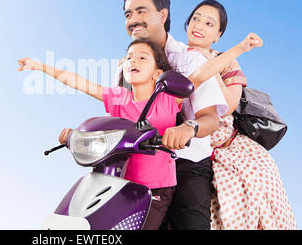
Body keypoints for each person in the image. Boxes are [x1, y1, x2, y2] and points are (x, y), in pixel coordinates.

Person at [19, 35, 262, 230]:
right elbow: (77, 82)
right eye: (129, 57)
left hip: (155, 188)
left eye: (142, 58)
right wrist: (40, 67)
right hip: (120, 182)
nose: (132, 61)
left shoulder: (167, 99)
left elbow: (203, 73)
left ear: (158, 73)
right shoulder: (118, 98)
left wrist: (240, 48)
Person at [119, 0, 227, 230]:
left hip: (185, 166)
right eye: (128, 14)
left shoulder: (191, 60)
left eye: (141, 11)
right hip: (138, 169)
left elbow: (210, 118)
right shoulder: (125, 68)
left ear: (162, 14)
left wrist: (188, 128)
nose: (132, 19)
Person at [182, 0, 297, 229]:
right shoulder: (171, 56)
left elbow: (228, 104)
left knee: (260, 188)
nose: (199, 25)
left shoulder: (225, 62)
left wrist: (209, 64)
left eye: (209, 23)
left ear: (218, 35)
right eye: (196, 18)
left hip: (229, 146)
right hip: (187, 148)